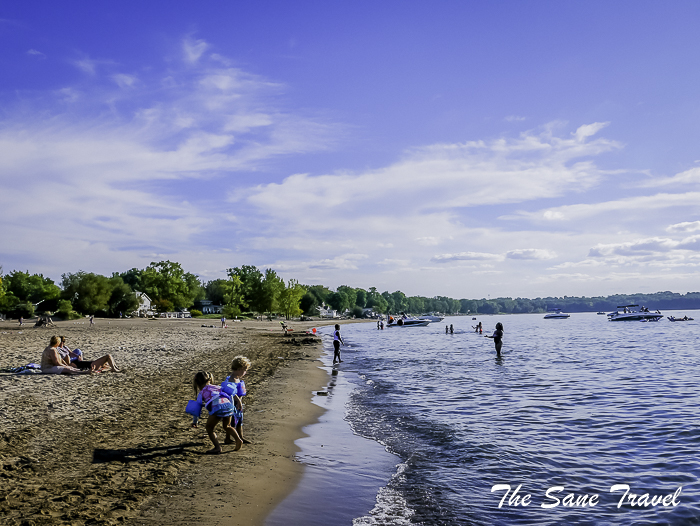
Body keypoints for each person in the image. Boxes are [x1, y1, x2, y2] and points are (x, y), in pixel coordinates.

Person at [191, 371, 242, 454]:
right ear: (209, 379)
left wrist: (195, 421)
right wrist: (232, 407)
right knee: (227, 426)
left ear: (197, 383)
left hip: (217, 407)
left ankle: (217, 447)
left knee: (209, 428)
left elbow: (197, 407)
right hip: (228, 406)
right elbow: (230, 395)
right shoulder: (218, 387)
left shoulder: (201, 392)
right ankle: (238, 439)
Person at [223, 356, 252, 444]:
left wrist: (240, 400)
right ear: (239, 369)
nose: (245, 372)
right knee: (231, 422)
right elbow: (231, 392)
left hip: (238, 404)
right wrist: (238, 400)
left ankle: (241, 437)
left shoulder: (238, 379)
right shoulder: (231, 380)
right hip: (232, 404)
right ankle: (228, 438)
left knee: (239, 421)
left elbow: (240, 393)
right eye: (245, 370)